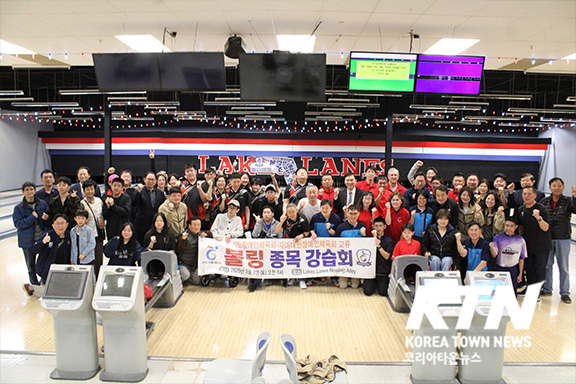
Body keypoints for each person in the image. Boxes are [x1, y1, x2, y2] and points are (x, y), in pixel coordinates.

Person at [540, 178, 576, 304]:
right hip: (548, 238)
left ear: (563, 187)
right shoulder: (544, 202)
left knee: (564, 267)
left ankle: (565, 292)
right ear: (550, 188)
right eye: (554, 186)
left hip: (563, 238)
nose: (556, 188)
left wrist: (575, 197)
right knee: (547, 265)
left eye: (559, 186)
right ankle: (547, 288)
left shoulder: (568, 201)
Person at [14, 181, 49, 296]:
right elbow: (18, 224)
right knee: (31, 265)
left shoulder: (42, 204)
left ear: (34, 190)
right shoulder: (19, 208)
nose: (29, 192)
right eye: (27, 190)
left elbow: (48, 219)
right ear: (23, 192)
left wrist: (46, 218)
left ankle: (44, 282)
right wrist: (31, 218)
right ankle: (34, 285)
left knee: (44, 261)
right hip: (27, 241)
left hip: (41, 239)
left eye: (31, 189)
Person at [515, 186, 551, 292]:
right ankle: (530, 289)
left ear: (535, 195)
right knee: (529, 269)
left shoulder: (541, 209)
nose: (527, 196)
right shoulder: (521, 209)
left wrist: (538, 218)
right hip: (528, 246)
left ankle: (537, 292)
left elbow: (546, 228)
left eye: (529, 194)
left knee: (539, 270)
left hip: (541, 246)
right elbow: (520, 227)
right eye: (524, 194)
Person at [28, 214, 72, 296]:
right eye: (57, 224)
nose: (60, 226)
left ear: (67, 224)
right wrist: (43, 242)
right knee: (51, 293)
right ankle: (35, 290)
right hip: (47, 270)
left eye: (62, 223)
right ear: (53, 225)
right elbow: (32, 250)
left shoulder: (69, 236)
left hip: (62, 271)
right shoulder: (47, 235)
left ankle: (34, 290)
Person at [276, 203, 310, 289]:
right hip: (290, 244)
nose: (291, 214)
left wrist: (301, 236)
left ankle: (302, 280)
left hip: (301, 243)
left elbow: (307, 232)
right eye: (289, 212)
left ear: (297, 211)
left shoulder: (302, 219)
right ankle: (292, 277)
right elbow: (277, 231)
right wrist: (281, 222)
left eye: (293, 211)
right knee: (291, 261)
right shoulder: (286, 220)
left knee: (301, 262)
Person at [490, 217, 527, 295]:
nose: (509, 228)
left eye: (511, 226)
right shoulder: (498, 237)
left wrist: (520, 274)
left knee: (512, 293)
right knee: (497, 293)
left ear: (516, 227)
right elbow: (494, 255)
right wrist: (491, 248)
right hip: (499, 268)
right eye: (507, 225)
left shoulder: (520, 240)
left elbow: (522, 258)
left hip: (512, 269)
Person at [249, 206, 282, 292]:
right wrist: (258, 223)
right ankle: (256, 280)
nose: (266, 215)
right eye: (264, 213)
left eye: (268, 212)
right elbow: (254, 235)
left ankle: (256, 282)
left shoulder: (277, 224)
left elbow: (280, 238)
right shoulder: (260, 222)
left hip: (274, 249)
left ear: (272, 214)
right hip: (261, 249)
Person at [335, 205, 366, 290]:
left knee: (355, 286)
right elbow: (335, 244)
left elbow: (366, 245)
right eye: (351, 213)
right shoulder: (341, 227)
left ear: (359, 214)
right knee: (342, 286)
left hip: (356, 259)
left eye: (355, 214)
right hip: (344, 259)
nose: (353, 216)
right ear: (347, 214)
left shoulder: (362, 226)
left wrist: (364, 235)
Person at [363, 218, 394, 296]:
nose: (378, 228)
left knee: (383, 292)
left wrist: (379, 246)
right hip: (370, 271)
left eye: (380, 226)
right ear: (373, 226)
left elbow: (387, 256)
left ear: (385, 227)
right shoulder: (369, 239)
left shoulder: (389, 240)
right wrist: (373, 238)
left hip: (383, 271)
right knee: (367, 292)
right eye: (376, 226)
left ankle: (378, 284)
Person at [133, 171, 166, 245]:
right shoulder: (139, 191)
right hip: (142, 225)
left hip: (155, 225)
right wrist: (139, 192)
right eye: (149, 179)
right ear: (144, 180)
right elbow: (134, 203)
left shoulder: (160, 193)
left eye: (153, 179)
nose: (151, 181)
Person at [81, 179, 105, 277]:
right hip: (88, 235)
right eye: (87, 189)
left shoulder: (99, 201)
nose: (90, 191)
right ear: (84, 191)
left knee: (99, 258)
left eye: (92, 189)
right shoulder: (82, 203)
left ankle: (98, 277)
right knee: (90, 258)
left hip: (99, 233)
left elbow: (103, 214)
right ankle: (91, 279)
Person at [176, 217, 207, 286]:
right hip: (184, 264)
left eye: (198, 225)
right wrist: (182, 240)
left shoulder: (201, 235)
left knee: (197, 281)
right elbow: (179, 250)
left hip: (195, 265)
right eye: (194, 225)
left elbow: (210, 233)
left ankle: (189, 278)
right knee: (185, 275)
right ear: (189, 226)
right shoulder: (184, 236)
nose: (196, 227)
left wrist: (206, 235)